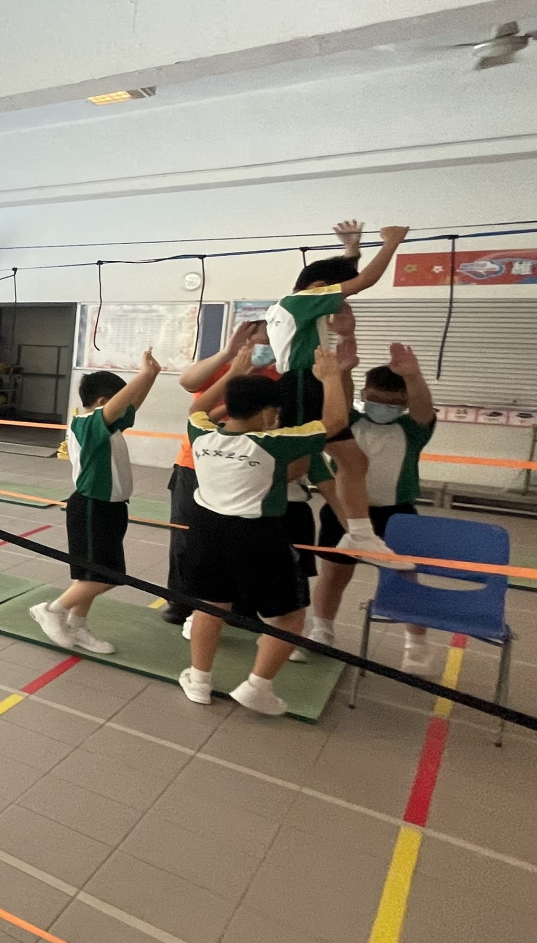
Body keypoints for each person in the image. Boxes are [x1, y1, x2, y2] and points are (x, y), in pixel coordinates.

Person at [180, 343, 348, 716]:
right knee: (290, 617)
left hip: (205, 530)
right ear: (267, 412)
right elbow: (335, 422)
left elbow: (196, 409)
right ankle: (258, 687)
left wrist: (233, 373)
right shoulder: (273, 443)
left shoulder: (201, 433)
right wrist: (331, 378)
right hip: (255, 535)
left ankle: (199, 681)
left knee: (210, 606)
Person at [263, 221, 407, 562]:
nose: (342, 303)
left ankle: (360, 536)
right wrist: (391, 243)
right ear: (319, 288)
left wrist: (352, 250)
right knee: (300, 463)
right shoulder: (300, 301)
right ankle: (237, 501)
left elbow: (344, 279)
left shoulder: (294, 305)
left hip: (312, 381)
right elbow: (363, 281)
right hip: (303, 383)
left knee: (349, 461)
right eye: (337, 295)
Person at [308, 343, 438, 671]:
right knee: (334, 574)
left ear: (404, 402)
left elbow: (424, 409)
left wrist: (413, 375)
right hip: (344, 511)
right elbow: (338, 400)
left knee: (404, 576)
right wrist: (342, 371)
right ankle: (322, 630)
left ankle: (416, 643)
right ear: (364, 394)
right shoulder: (349, 422)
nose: (383, 406)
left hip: (396, 514)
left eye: (393, 402)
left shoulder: (412, 430)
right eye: (376, 399)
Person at [29, 350, 160, 655]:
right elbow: (121, 404)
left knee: (91, 575)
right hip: (91, 507)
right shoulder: (86, 424)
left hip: (112, 507)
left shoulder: (108, 426)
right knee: (107, 576)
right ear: (102, 402)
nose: (123, 407)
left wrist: (151, 377)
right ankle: (51, 610)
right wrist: (142, 374)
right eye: (116, 402)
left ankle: (76, 625)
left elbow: (131, 404)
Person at [160, 320, 274, 625]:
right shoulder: (221, 367)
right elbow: (188, 382)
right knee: (186, 536)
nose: (267, 349)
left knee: (242, 538)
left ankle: (241, 605)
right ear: (246, 342)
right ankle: (182, 601)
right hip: (195, 465)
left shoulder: (277, 376)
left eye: (273, 343)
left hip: (247, 468)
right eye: (262, 342)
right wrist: (229, 355)